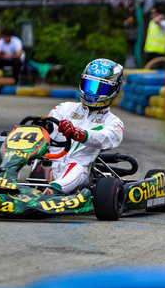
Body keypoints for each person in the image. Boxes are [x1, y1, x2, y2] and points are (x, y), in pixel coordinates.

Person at [40, 58, 125, 194]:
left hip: (79, 170)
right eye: (89, 85)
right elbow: (47, 129)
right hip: (48, 163)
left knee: (77, 169)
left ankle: (51, 193)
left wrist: (81, 134)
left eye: (100, 87)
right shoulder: (64, 108)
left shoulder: (114, 122)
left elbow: (108, 138)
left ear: (113, 90)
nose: (92, 92)